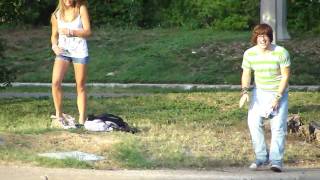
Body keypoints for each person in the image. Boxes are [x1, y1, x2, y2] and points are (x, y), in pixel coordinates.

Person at [239, 23, 290, 172]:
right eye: (260, 36)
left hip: (278, 93)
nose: (263, 39)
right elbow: (247, 74)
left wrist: (277, 97)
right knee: (254, 124)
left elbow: (285, 76)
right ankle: (261, 157)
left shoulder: (281, 52)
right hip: (259, 92)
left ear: (270, 38)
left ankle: (276, 161)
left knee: (278, 127)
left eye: (266, 36)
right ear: (255, 38)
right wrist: (244, 91)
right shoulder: (249, 54)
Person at [50, 0, 91, 127]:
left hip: (79, 51)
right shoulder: (56, 14)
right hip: (63, 51)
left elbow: (88, 32)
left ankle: (82, 119)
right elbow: (54, 35)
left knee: (80, 86)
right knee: (55, 82)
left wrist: (71, 32)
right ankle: (59, 115)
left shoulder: (81, 9)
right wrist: (54, 46)